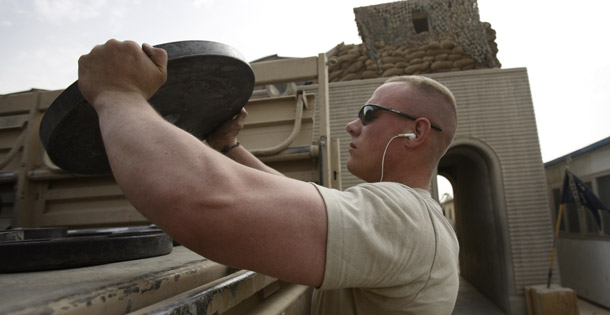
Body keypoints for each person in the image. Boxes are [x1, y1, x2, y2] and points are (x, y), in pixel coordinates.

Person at [77, 39, 459, 314]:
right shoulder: (418, 220)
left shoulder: (404, 218)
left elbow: (201, 200)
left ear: (418, 132)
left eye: (369, 113)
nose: (351, 125)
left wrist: (118, 92)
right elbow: (291, 196)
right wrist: (228, 147)